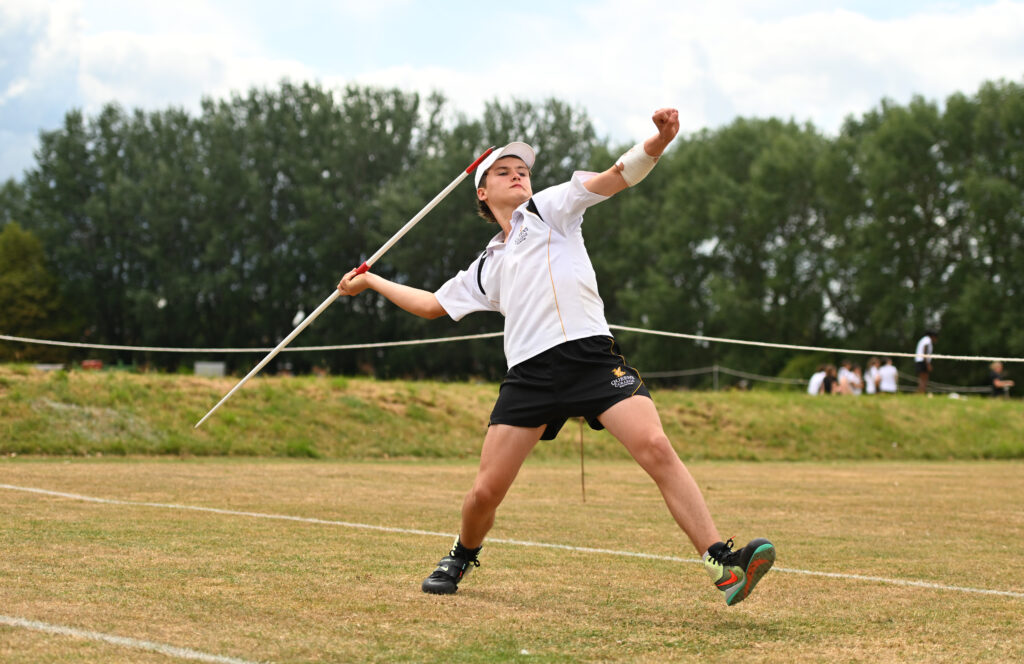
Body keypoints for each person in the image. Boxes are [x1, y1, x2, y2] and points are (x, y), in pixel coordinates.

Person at [336, 109, 774, 606]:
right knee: (485, 493)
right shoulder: (487, 264)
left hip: (590, 356)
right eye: (503, 171)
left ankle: (723, 563)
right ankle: (461, 554)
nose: (518, 174)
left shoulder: (549, 209)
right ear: (482, 192)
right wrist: (369, 280)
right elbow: (432, 305)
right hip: (530, 376)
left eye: (522, 169)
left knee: (655, 447)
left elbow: (615, 177)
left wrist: (659, 141)